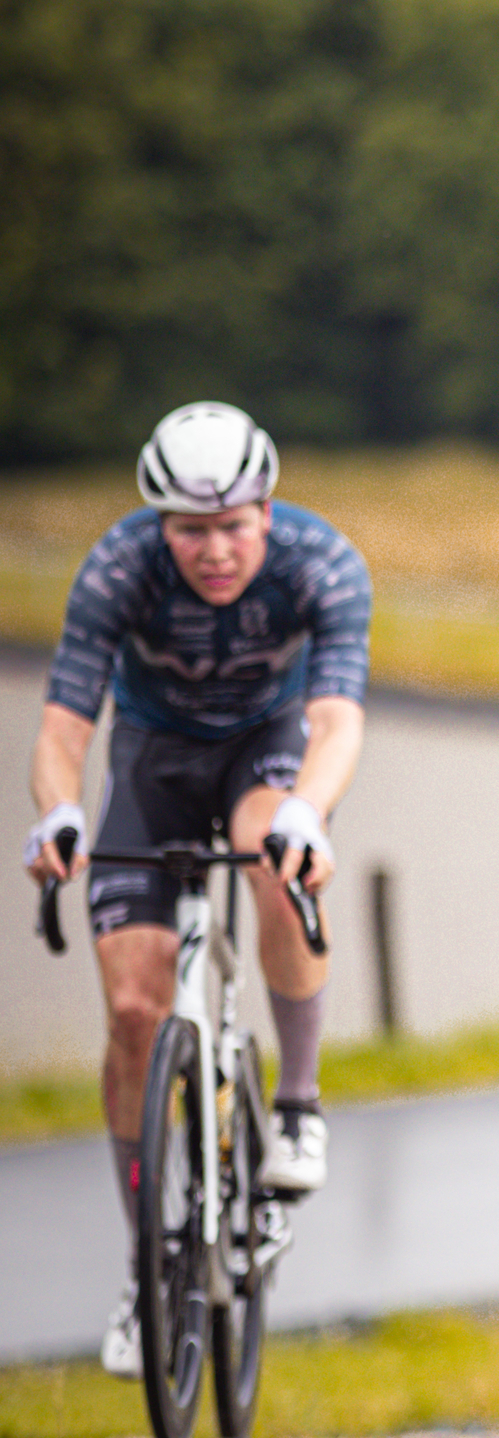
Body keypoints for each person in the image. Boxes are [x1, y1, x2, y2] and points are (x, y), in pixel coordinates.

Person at [22, 404, 372, 1377]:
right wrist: (58, 813)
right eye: (189, 530)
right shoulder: (117, 568)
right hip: (154, 760)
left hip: (267, 747)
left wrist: (311, 809)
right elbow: (62, 729)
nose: (215, 551)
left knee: (272, 851)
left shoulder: (322, 561)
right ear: (157, 523)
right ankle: (149, 1261)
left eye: (233, 526)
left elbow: (337, 717)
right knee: (134, 1010)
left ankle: (295, 1103)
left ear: (267, 509)